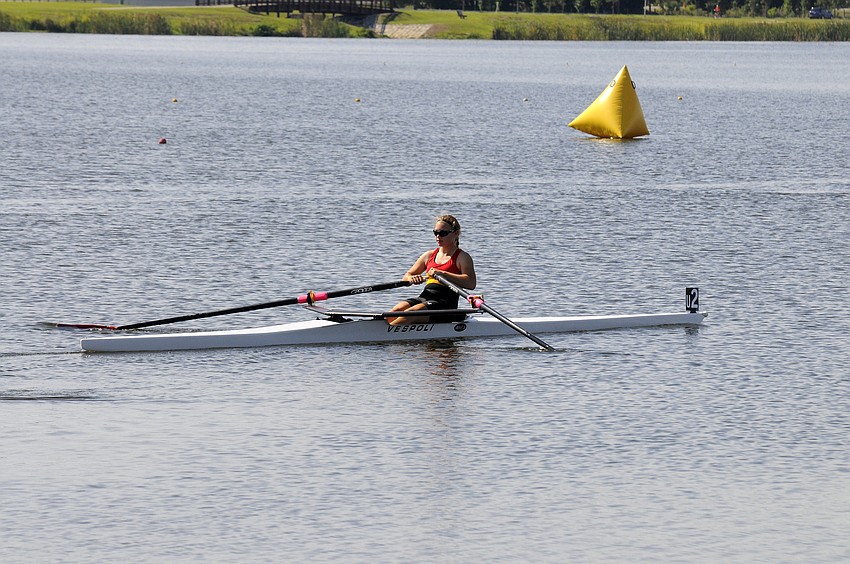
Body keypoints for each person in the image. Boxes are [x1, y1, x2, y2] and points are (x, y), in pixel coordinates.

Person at [387, 214, 476, 326]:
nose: (438, 236)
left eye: (443, 233)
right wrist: (413, 278)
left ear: (456, 234)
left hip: (445, 304)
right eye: (436, 232)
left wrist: (443, 274)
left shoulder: (462, 257)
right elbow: (407, 276)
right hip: (424, 298)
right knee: (393, 312)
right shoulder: (429, 255)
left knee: (411, 313)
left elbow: (471, 283)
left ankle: (384, 338)